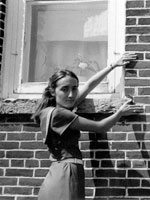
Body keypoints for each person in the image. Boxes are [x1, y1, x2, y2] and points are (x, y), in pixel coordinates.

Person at [33, 53, 137, 200]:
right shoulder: (60, 114)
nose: (71, 95)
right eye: (65, 89)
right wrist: (120, 113)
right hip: (67, 172)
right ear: (52, 91)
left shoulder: (49, 111)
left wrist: (113, 65)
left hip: (57, 171)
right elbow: (100, 127)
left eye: (74, 88)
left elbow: (88, 86)